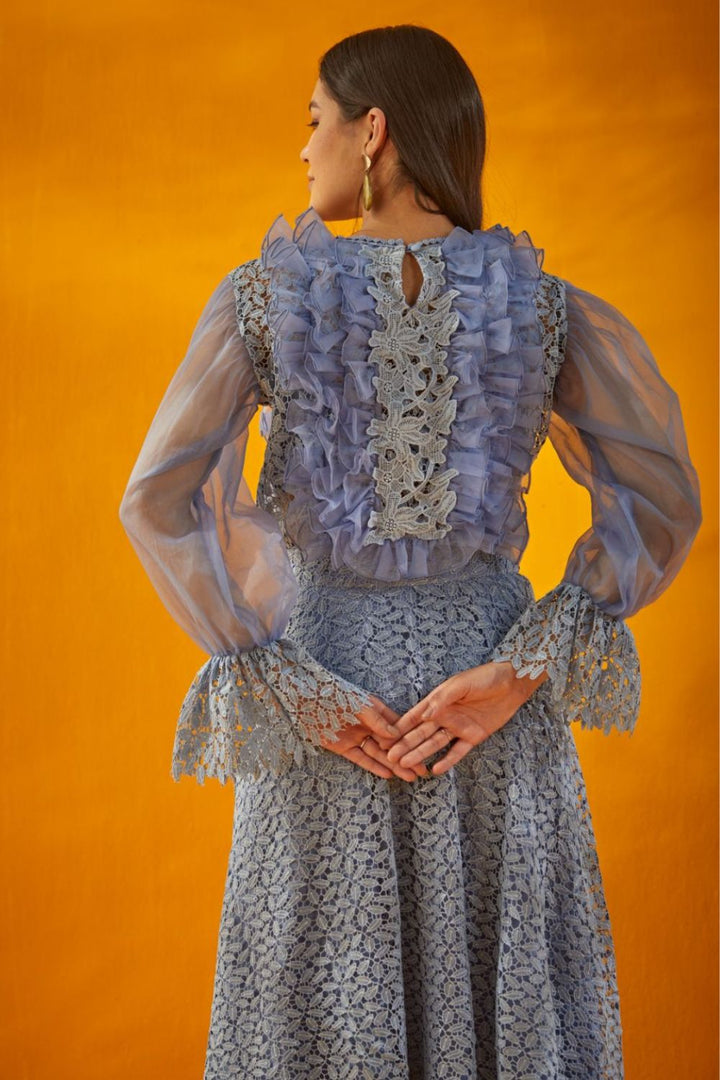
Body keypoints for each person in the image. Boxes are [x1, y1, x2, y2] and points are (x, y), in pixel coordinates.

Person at [118, 24, 701, 1080]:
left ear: (372, 130)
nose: (305, 150)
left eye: (315, 120)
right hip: (487, 715)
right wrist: (523, 669)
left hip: (330, 711)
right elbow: (663, 496)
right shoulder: (540, 305)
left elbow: (158, 499)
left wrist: (280, 677)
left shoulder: (265, 297)